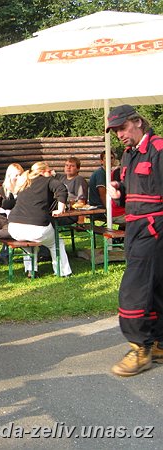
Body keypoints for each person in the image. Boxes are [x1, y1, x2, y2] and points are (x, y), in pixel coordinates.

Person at [105, 105, 163, 376]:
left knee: (133, 289)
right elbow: (132, 192)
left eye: (122, 127)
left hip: (155, 228)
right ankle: (159, 343)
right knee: (155, 287)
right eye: (115, 130)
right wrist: (119, 192)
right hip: (134, 227)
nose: (119, 134)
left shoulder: (159, 149)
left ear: (138, 122)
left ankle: (139, 348)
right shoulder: (128, 154)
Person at [8, 162, 72, 277]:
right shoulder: (47, 180)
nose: (51, 173)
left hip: (14, 228)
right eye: (49, 171)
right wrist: (60, 209)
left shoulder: (25, 181)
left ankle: (31, 270)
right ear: (42, 172)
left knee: (28, 244)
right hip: (37, 228)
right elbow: (61, 189)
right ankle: (63, 272)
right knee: (56, 242)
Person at [88, 150, 126, 225]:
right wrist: (110, 210)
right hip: (100, 209)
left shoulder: (109, 172)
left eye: (111, 158)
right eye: (106, 158)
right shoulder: (100, 173)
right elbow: (103, 195)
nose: (109, 160)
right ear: (102, 161)